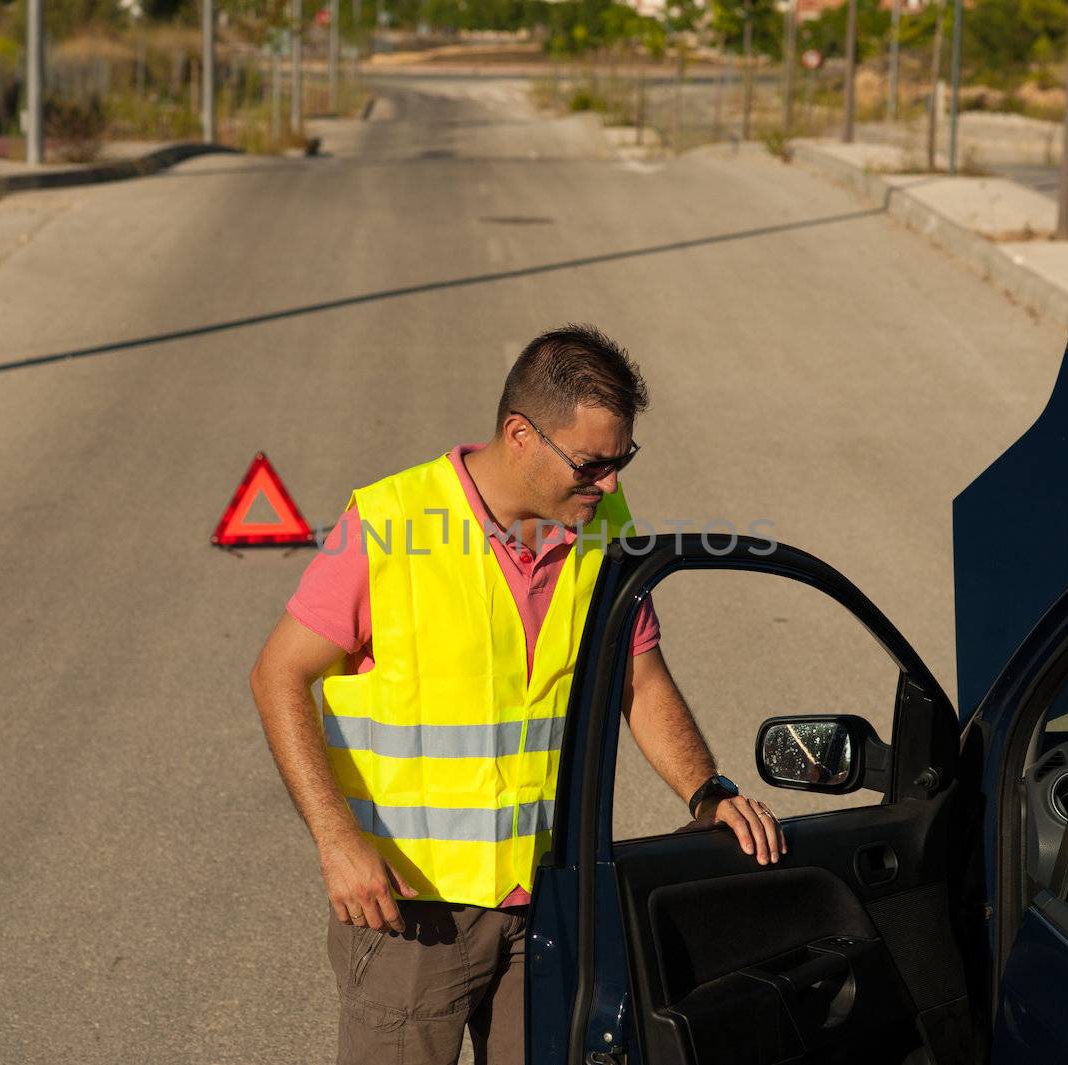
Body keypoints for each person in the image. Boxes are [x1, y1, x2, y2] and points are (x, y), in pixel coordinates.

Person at [249, 325, 786, 1065]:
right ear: (521, 435)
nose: (611, 484)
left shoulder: (603, 526)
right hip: (411, 915)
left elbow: (641, 676)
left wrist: (706, 790)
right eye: (593, 463)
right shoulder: (389, 522)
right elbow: (277, 672)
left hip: (547, 905)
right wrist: (337, 842)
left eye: (622, 460)